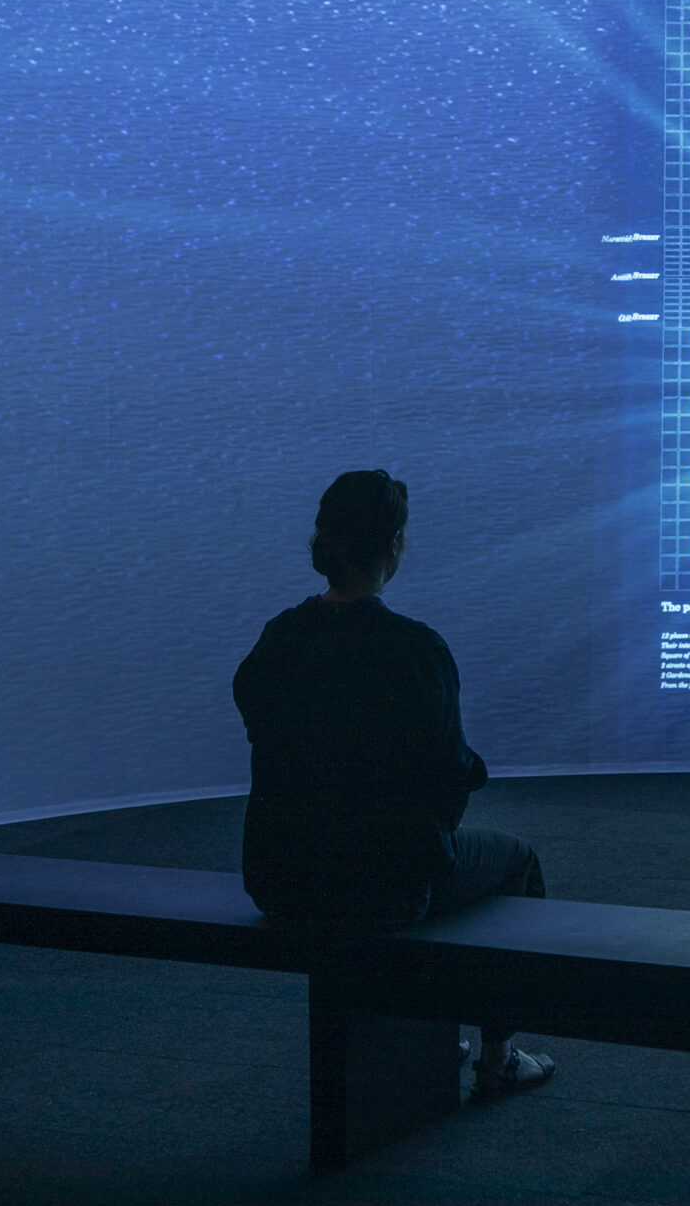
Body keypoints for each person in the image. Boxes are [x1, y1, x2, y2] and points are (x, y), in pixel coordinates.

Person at [232, 468, 554, 1095]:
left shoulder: (278, 638)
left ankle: (427, 1029)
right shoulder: (415, 650)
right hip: (384, 886)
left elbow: (265, 730)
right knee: (517, 864)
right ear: (395, 543)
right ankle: (497, 1057)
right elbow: (449, 789)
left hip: (277, 877)